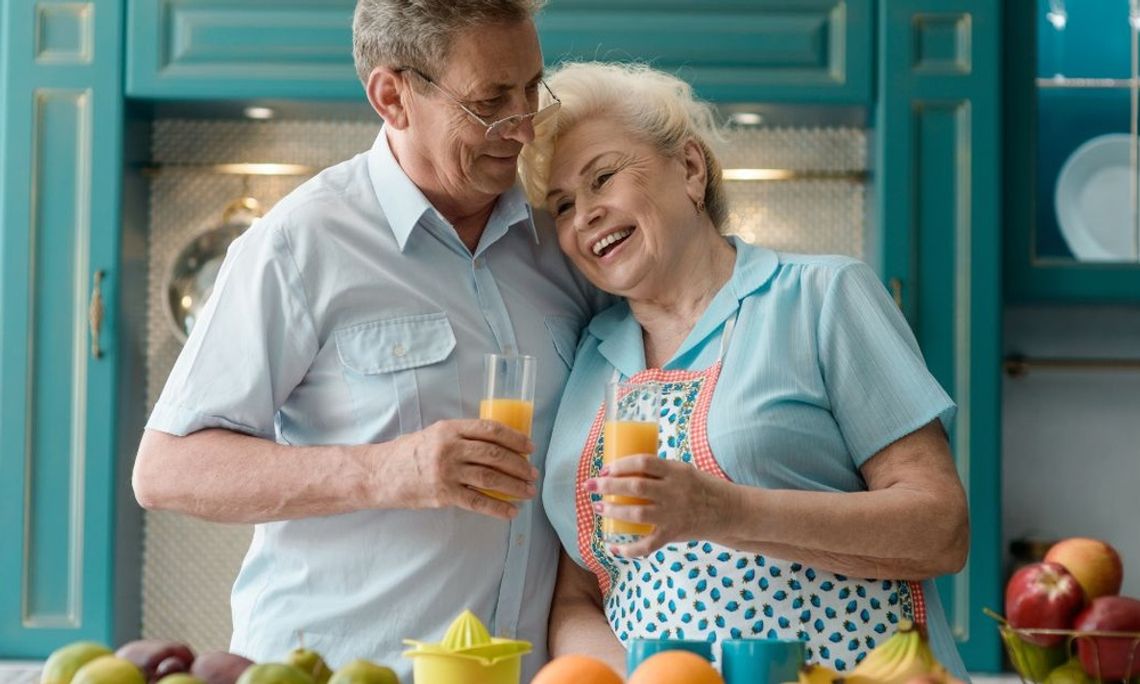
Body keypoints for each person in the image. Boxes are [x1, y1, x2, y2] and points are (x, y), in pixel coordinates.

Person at [132, 2, 606, 680]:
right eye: (490, 100)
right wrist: (391, 470)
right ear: (393, 96)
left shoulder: (559, 245)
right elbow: (166, 469)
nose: (525, 126)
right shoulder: (299, 245)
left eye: (533, 87)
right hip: (326, 670)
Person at [517, 61, 971, 678]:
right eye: (563, 205)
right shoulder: (589, 361)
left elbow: (939, 528)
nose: (584, 216)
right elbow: (577, 598)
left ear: (690, 169)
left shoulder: (821, 296)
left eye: (603, 178)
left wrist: (719, 511)